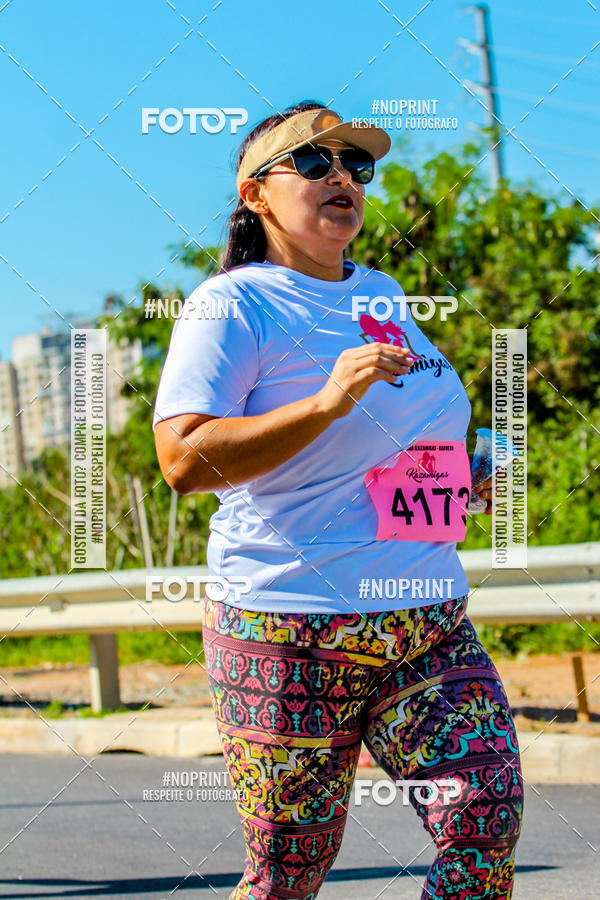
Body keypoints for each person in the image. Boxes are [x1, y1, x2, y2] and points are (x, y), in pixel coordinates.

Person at [153, 101, 524, 900]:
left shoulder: (383, 292)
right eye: (315, 163)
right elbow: (182, 460)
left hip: (424, 620)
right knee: (290, 874)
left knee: (484, 819)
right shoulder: (232, 305)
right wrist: (324, 402)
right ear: (256, 194)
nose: (343, 178)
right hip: (288, 627)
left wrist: (462, 479)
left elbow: (394, 444)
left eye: (357, 166)